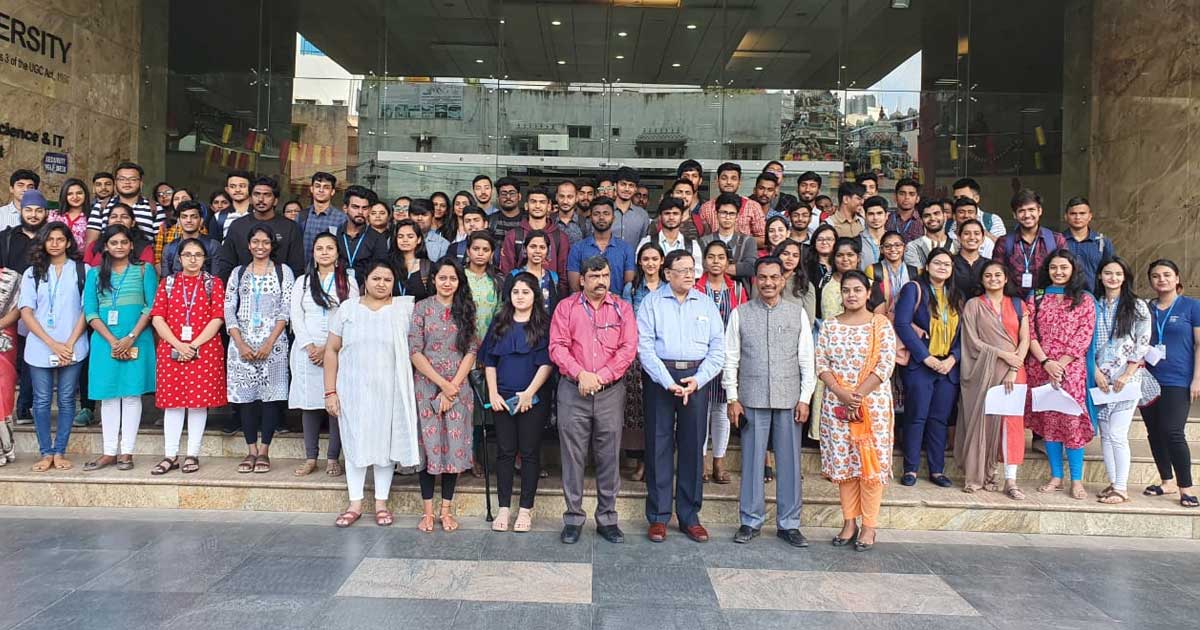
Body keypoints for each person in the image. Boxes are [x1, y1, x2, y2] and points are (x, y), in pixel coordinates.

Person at [724, 256, 815, 546]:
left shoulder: (796, 312)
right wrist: (732, 397)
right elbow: (730, 358)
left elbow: (806, 358)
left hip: (789, 399)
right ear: (755, 279)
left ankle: (789, 523)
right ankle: (750, 521)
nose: (768, 283)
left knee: (789, 463)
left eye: (774, 277)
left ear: (783, 279)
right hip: (751, 397)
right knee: (751, 463)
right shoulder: (740, 313)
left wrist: (805, 398)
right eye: (763, 277)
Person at [637, 249, 725, 544]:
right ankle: (659, 516)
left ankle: (689, 516)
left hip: (695, 381)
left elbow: (718, 350)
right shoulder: (651, 303)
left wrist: (697, 381)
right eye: (683, 270)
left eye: (692, 269)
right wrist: (665, 381)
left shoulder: (706, 304)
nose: (690, 274)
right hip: (660, 380)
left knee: (692, 446)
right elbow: (645, 348)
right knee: (658, 445)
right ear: (667, 273)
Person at [550, 255, 638, 545]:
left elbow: (628, 349)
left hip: (609, 392)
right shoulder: (566, 307)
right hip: (573, 390)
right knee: (572, 456)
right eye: (595, 276)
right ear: (582, 280)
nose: (601, 282)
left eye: (605, 276)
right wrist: (581, 374)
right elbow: (557, 347)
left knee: (609, 456)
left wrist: (600, 376)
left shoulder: (622, 309)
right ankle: (573, 518)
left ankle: (607, 519)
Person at [326, 260, 421, 527]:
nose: (381, 284)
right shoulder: (348, 309)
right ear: (365, 280)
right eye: (376, 278)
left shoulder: (404, 310)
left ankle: (381, 502)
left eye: (387, 279)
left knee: (384, 445)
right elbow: (332, 350)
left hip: (390, 389)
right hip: (352, 389)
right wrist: (330, 391)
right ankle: (354, 503)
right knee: (355, 443)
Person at [816, 270, 896, 551]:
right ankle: (849, 521)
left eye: (857, 290)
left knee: (869, 467)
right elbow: (821, 363)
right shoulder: (830, 325)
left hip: (871, 405)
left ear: (867, 291)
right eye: (847, 290)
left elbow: (885, 364)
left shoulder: (880, 324)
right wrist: (841, 394)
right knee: (845, 464)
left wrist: (858, 395)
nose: (851, 295)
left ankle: (869, 526)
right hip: (837, 406)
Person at [410, 259, 479, 533]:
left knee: (453, 447)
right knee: (428, 448)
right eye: (442, 278)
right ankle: (427, 512)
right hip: (427, 386)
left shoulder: (465, 310)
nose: (447, 283)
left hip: (459, 389)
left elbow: (471, 350)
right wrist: (441, 384)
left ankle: (446, 510)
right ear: (434, 280)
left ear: (459, 282)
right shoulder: (421, 309)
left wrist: (453, 387)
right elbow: (415, 351)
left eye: (452, 278)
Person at [81, 225, 158, 472]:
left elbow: (150, 306)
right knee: (109, 396)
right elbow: (90, 311)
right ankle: (109, 452)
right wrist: (113, 341)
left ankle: (127, 452)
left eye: (124, 242)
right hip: (105, 342)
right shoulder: (94, 274)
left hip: (137, 339)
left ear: (131, 245)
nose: (119, 247)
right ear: (105, 246)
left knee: (132, 396)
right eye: (114, 242)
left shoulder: (144, 270)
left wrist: (130, 336)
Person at [482, 273, 554, 532]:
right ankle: (503, 509)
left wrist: (528, 393)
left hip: (532, 399)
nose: (520, 296)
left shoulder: (544, 324)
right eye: (516, 292)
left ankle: (525, 510)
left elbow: (546, 363)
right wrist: (493, 394)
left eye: (525, 292)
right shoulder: (500, 322)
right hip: (502, 398)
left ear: (535, 295)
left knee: (530, 452)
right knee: (504, 452)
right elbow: (489, 361)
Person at [150, 238, 227, 475]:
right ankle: (170, 455)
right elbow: (157, 317)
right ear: (179, 258)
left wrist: (192, 345)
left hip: (203, 349)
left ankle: (192, 453)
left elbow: (218, 318)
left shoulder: (213, 283)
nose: (193, 259)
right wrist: (178, 344)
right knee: (172, 405)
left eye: (198, 255)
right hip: (171, 349)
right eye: (188, 254)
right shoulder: (168, 283)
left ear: (205, 259)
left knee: (197, 404)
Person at [1026, 250, 1096, 500]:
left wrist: (1061, 364)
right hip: (1041, 367)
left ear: (1073, 270)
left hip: (1071, 370)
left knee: (1072, 423)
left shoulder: (1085, 299)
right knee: (1049, 423)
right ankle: (1056, 476)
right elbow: (1030, 334)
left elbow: (1084, 336)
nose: (1058, 272)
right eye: (1053, 268)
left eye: (1063, 268)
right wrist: (1046, 362)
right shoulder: (1037, 296)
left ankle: (1076, 480)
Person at [956, 260, 1030, 498]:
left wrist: (1012, 366)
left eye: (998, 275)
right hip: (983, 370)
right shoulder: (973, 305)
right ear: (982, 280)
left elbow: (1025, 340)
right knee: (983, 421)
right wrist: (1001, 354)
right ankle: (982, 474)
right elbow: (972, 341)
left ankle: (1011, 480)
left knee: (1011, 424)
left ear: (1006, 278)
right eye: (988, 275)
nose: (993, 279)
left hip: (1014, 371)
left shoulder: (1018, 305)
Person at [226, 225, 295, 474]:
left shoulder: (282, 271)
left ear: (271, 245)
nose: (260, 246)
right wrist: (240, 343)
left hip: (273, 346)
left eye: (265, 242)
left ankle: (265, 450)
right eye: (255, 241)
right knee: (246, 401)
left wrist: (269, 343)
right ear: (248, 244)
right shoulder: (238, 272)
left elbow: (286, 310)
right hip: (240, 346)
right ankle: (251, 449)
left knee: (269, 399)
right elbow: (228, 309)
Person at [290, 233, 359, 477]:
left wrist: (328, 348)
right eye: (320, 248)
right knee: (309, 405)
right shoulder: (303, 282)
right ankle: (311, 457)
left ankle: (332, 457)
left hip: (337, 350)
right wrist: (310, 347)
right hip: (306, 351)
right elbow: (296, 316)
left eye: (330, 248)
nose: (325, 252)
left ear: (338, 253)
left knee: (335, 403)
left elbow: (352, 316)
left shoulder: (348, 282)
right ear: (313, 253)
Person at [20, 224, 87, 472]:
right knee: (41, 401)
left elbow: (86, 310)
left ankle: (60, 451)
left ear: (69, 242)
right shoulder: (32, 273)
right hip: (40, 345)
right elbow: (26, 311)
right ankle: (45, 452)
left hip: (73, 345)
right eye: (51, 239)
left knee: (68, 399)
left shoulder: (83, 270)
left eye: (61, 239)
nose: (56, 243)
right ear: (44, 243)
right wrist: (52, 344)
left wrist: (67, 344)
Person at [894, 248, 963, 487]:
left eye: (947, 264)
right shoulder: (914, 289)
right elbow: (901, 324)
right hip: (921, 364)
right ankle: (911, 469)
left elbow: (965, 334)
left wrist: (953, 358)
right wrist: (925, 357)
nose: (942, 267)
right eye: (937, 263)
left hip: (947, 366)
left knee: (940, 419)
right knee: (916, 417)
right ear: (927, 265)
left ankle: (937, 470)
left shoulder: (956, 295)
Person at [1089, 257, 1148, 504]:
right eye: (1108, 273)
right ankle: (1114, 483)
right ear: (1100, 276)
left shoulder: (1137, 306)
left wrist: (1126, 374)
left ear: (1125, 278)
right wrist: (1095, 372)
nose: (1112, 278)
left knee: (1117, 433)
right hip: (1099, 379)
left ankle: (1122, 487)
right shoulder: (1093, 304)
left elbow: (1142, 342)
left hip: (1127, 380)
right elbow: (1085, 343)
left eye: (1118, 274)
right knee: (1105, 433)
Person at [1144, 259, 1198, 507]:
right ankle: (1166, 481)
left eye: (1167, 274)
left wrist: (1197, 378)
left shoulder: (1191, 306)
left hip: (1178, 379)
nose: (1161, 279)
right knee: (1154, 432)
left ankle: (1185, 487)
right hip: (1148, 380)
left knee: (1172, 431)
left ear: (1177, 278)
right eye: (1156, 276)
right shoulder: (1146, 308)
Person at [694, 240, 747, 484]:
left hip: (728, 358)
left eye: (721, 257)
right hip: (701, 358)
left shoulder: (737, 290)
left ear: (728, 262)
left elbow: (742, 325)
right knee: (700, 411)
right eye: (711, 257)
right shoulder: (696, 289)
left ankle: (719, 460)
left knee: (722, 411)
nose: (716, 262)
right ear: (704, 261)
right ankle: (702, 460)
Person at [620, 243, 665, 482]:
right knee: (636, 413)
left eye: (654, 259)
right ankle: (639, 462)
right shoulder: (632, 288)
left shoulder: (668, 288)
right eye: (645, 259)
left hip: (663, 356)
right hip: (637, 357)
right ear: (640, 262)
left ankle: (655, 463)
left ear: (662, 261)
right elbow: (627, 321)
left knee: (659, 412)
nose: (650, 263)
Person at [215, 177, 305, 280]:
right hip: (242, 289)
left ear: (275, 201)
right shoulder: (237, 226)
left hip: (281, 291)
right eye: (256, 194)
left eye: (266, 195)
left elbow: (297, 267)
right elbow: (227, 264)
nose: (261, 199)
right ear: (250, 199)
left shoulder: (290, 227)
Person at [994, 189, 1066, 296]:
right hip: (1014, 302)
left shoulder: (1056, 239)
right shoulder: (1004, 242)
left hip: (1048, 301)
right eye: (1021, 211)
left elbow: (1066, 272)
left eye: (1031, 209)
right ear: (1014, 214)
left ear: (1040, 211)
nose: (1027, 215)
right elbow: (996, 274)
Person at [498, 185, 570, 281]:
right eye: (533, 201)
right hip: (520, 293)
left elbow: (563, 276)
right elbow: (506, 272)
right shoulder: (513, 235)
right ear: (526, 206)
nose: (537, 206)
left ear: (549, 206)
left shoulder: (560, 237)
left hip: (551, 293)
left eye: (542, 202)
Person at [566, 197, 635, 294]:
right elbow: (575, 287)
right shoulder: (578, 248)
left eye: (606, 213)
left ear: (613, 218)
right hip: (584, 306)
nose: (601, 217)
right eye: (596, 214)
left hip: (617, 306)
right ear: (590, 218)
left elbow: (628, 286)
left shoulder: (626, 249)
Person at [86, 161, 162, 245]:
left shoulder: (155, 208)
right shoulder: (101, 206)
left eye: (133, 179)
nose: (127, 182)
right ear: (115, 183)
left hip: (144, 257)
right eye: (122, 179)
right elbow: (91, 243)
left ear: (141, 184)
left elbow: (159, 244)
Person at [698, 163, 766, 249]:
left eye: (733, 178)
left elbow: (764, 240)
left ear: (739, 182)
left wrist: (739, 241)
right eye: (724, 178)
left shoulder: (753, 207)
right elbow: (702, 240)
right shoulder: (706, 208)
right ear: (717, 180)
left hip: (744, 257)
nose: (729, 182)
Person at [701, 192, 759, 290]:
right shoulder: (704, 241)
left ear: (737, 216)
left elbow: (750, 268)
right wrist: (737, 268)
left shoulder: (748, 241)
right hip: (708, 292)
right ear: (716, 214)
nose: (727, 217)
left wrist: (715, 267)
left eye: (732, 214)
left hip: (740, 294)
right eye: (723, 213)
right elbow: (702, 268)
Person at [334, 185, 388, 284]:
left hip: (364, 293)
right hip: (334, 289)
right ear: (345, 208)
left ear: (369, 210)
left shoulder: (378, 239)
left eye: (364, 208)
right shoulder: (333, 234)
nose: (360, 212)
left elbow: (380, 272)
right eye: (355, 207)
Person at [638, 197, 703, 278]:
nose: (671, 217)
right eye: (667, 213)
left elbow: (696, 275)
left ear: (682, 216)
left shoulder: (692, 245)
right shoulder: (647, 242)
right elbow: (640, 269)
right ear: (660, 216)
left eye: (675, 213)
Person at [1062, 197, 1115, 293]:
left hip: (1095, 298)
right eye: (1073, 213)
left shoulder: (1102, 242)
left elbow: (1111, 270)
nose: (1078, 217)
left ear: (1090, 216)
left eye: (1082, 213)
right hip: (1064, 297)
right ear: (1066, 216)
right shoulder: (1058, 240)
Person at [502, 230, 564, 312]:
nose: (537, 251)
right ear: (525, 249)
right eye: (533, 246)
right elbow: (506, 306)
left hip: (546, 324)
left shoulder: (553, 277)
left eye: (542, 247)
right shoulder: (514, 276)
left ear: (547, 251)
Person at [83, 203, 154, 267]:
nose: (118, 220)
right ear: (108, 222)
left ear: (133, 223)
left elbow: (146, 272)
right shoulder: (95, 245)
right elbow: (87, 272)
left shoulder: (144, 247)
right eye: (114, 217)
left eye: (124, 217)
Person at [295, 172, 345, 260]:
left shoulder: (341, 219)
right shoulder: (302, 216)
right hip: (304, 270)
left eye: (326, 187)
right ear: (312, 189)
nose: (321, 190)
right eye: (317, 186)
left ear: (332, 191)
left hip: (330, 270)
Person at [161, 201, 219, 276]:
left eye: (193, 217)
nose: (189, 220)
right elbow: (165, 281)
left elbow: (217, 279)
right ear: (178, 221)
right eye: (184, 217)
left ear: (201, 220)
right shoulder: (169, 248)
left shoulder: (212, 246)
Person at [865, 231, 916, 316]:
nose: (893, 249)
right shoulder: (873, 270)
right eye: (887, 246)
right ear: (881, 249)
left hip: (909, 320)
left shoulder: (914, 271)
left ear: (904, 247)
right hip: (881, 319)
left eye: (897, 245)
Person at [0, 189, 49, 273]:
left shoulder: (51, 238)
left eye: (39, 211)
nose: (33, 215)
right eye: (28, 210)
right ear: (21, 212)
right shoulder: (5, 237)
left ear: (46, 213)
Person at [769, 239, 816, 321]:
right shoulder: (765, 281)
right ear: (777, 255)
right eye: (785, 254)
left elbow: (809, 320)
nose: (790, 258)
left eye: (795, 255)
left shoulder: (805, 284)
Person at [904, 199, 958, 270]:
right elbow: (915, 275)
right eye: (927, 216)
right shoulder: (913, 247)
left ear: (944, 216)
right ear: (921, 221)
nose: (932, 218)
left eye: (936, 213)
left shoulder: (956, 245)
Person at [387, 219, 432, 300]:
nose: (405, 240)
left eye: (410, 236)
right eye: (400, 236)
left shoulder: (428, 267)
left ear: (418, 240)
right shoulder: (387, 266)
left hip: (419, 311)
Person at [805, 224, 838, 326]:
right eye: (820, 239)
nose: (824, 242)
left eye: (829, 239)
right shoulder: (806, 267)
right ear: (814, 242)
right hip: (814, 320)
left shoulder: (841, 265)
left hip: (839, 319)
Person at [610, 167, 651, 246]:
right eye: (623, 184)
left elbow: (643, 244)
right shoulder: (605, 211)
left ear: (635, 189)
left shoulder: (642, 215)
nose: (627, 189)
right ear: (615, 185)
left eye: (631, 185)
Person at [952, 219, 989, 298]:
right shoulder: (950, 263)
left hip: (983, 309)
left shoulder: (989, 265)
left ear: (982, 239)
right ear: (958, 237)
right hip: (954, 308)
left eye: (976, 233)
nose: (972, 237)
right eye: (966, 233)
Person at [51, 178, 90, 249]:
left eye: (79, 193)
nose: (75, 197)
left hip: (81, 259)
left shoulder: (92, 217)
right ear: (64, 196)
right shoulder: (54, 215)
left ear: (85, 194)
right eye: (70, 194)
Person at [884, 177, 923, 243]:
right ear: (895, 197)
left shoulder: (922, 221)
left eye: (911, 194)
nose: (906, 197)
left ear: (917, 199)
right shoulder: (886, 219)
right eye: (902, 193)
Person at [488, 177, 526, 241]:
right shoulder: (490, 221)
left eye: (512, 193)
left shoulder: (528, 219)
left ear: (519, 196)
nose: (508, 197)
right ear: (498, 198)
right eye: (504, 194)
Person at [858, 196, 889, 268]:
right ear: (865, 216)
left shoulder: (894, 240)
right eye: (871, 214)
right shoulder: (857, 241)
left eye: (879, 213)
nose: (875, 218)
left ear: (886, 215)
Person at [552, 180, 584, 245]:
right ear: (556, 197)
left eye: (570, 197)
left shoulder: (585, 223)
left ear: (577, 198)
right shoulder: (548, 221)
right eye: (561, 196)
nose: (565, 201)